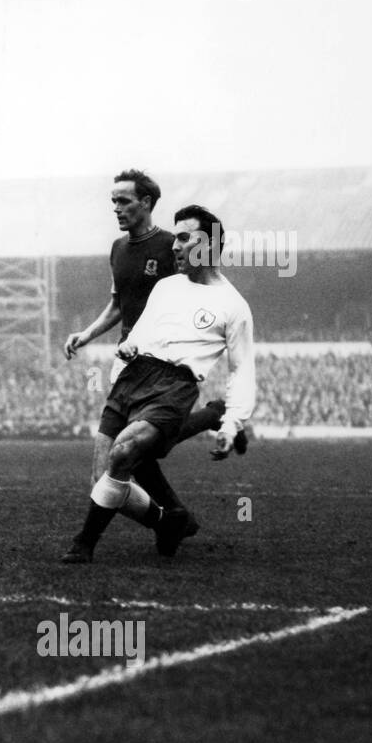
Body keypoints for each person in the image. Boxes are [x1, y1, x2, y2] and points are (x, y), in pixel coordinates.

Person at [61, 205, 255, 563]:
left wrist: (233, 423)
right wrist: (128, 347)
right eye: (175, 237)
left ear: (209, 245)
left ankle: (83, 544)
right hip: (132, 377)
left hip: (173, 386)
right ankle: (169, 521)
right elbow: (140, 334)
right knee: (104, 476)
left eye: (184, 238)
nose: (175, 246)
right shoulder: (166, 286)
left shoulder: (233, 305)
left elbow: (242, 370)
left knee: (123, 454)